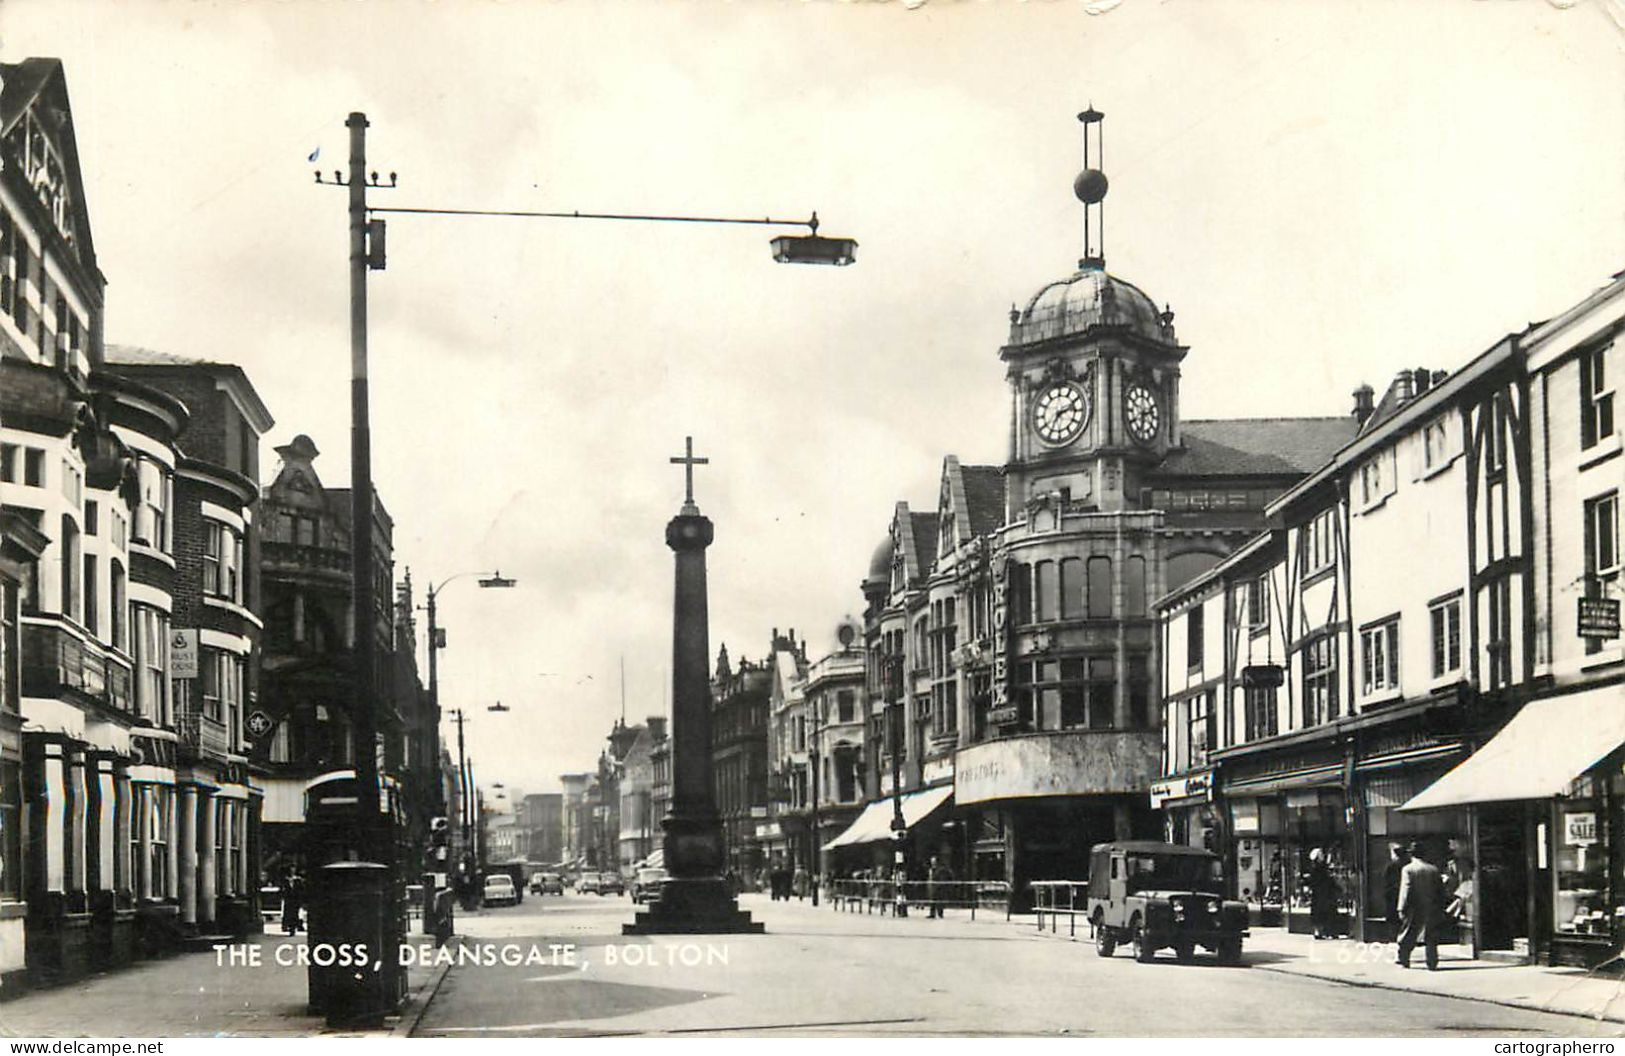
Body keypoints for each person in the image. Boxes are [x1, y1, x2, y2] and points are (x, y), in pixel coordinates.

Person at [1396, 839, 1446, 970]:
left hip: (1414, 906)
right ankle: (1432, 961)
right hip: (1432, 906)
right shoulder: (1433, 869)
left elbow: (1405, 889)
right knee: (1431, 935)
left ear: (1411, 855)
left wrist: (1401, 907)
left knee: (1409, 932)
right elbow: (1441, 890)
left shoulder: (1408, 869)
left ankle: (1404, 959)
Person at [1306, 848, 1338, 939]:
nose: (1322, 856)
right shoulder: (1320, 868)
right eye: (1321, 855)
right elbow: (1326, 879)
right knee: (1325, 911)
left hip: (1318, 894)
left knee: (1319, 912)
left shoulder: (1314, 868)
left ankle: (1320, 931)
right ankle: (1326, 931)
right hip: (1323, 894)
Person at [1382, 843, 1410, 941]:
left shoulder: (1391, 866)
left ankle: (1393, 937)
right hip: (1404, 894)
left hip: (1393, 895)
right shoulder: (1407, 864)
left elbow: (1386, 881)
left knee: (1393, 918)